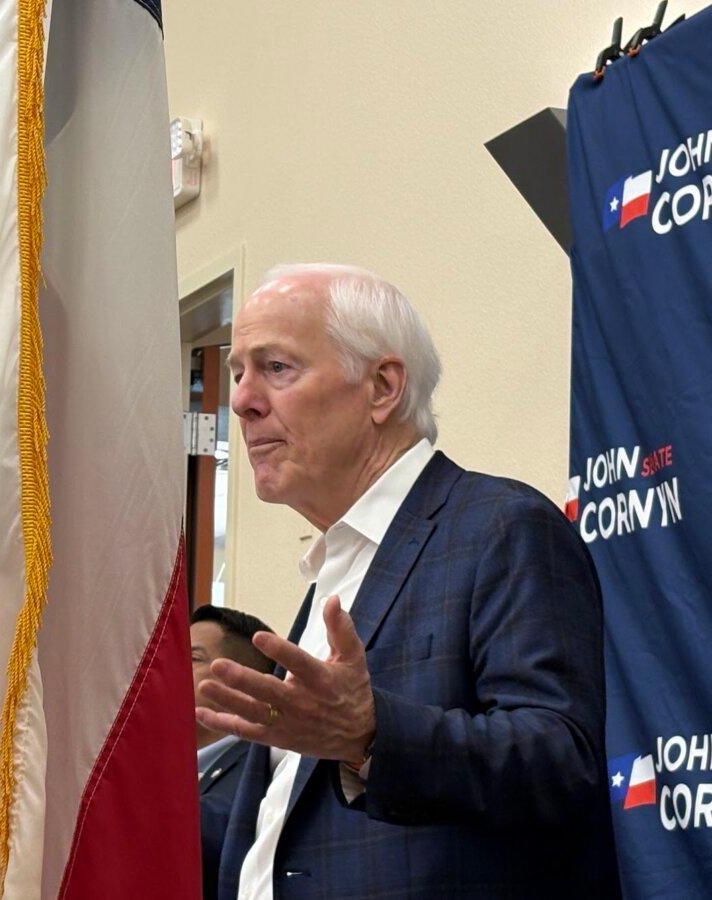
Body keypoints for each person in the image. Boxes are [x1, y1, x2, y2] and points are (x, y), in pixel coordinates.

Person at [196, 265, 617, 898]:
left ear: (383, 387)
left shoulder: (502, 529)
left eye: (277, 368)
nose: (242, 400)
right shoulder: (335, 569)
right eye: (236, 373)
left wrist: (370, 734)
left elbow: (559, 763)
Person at [191, 605, 275, 900]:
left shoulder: (267, 767)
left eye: (192, 657)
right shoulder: (155, 767)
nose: (170, 667)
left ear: (245, 684)